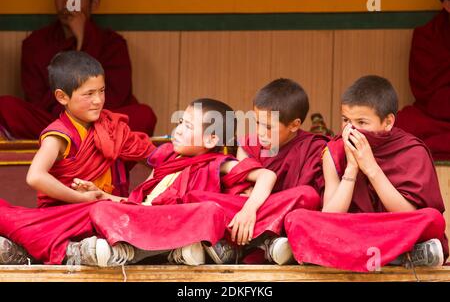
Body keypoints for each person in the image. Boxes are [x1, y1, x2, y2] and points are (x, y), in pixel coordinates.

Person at [0, 98, 278, 267]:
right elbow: (137, 204)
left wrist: (248, 210)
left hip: (163, 222)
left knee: (207, 211)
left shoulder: (218, 163)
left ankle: (42, 252)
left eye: (188, 127)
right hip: (135, 217)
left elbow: (267, 175)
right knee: (92, 210)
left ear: (211, 141)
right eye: (181, 122)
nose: (178, 130)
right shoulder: (166, 159)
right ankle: (42, 249)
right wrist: (101, 195)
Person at [0, 51, 155, 265]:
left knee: (121, 211)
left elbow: (156, 159)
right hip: (70, 215)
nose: (98, 100)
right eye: (88, 94)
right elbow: (35, 176)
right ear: (62, 97)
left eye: (102, 91)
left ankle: (50, 249)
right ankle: (77, 247)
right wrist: (81, 199)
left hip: (110, 209)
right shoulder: (59, 134)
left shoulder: (112, 127)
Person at [285, 75, 448, 272]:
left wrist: (371, 168)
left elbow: (408, 213)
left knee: (431, 219)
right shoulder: (334, 151)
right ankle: (400, 255)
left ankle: (349, 255)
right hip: (353, 228)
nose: (351, 129)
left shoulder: (412, 151)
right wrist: (352, 168)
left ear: (388, 122)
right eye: (346, 120)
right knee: (298, 219)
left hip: (392, 227)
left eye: (362, 122)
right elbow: (330, 215)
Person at [182, 79, 328, 265]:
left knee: (308, 196)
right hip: (245, 212)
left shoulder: (314, 147)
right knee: (196, 198)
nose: (260, 132)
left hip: (280, 213)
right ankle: (265, 243)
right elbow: (240, 189)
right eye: (257, 122)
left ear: (294, 125)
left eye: (268, 127)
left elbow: (315, 204)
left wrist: (253, 206)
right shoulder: (247, 145)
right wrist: (249, 204)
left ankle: (240, 244)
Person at [0, 0, 156, 139]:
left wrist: (83, 40)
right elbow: (36, 100)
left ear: (94, 4)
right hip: (56, 122)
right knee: (5, 106)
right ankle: (86, 145)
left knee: (144, 115)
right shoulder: (35, 43)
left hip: (101, 123)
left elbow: (116, 98)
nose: (68, 4)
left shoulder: (112, 44)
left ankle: (73, 143)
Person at [396, 0, 450, 161]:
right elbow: (425, 91)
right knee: (402, 125)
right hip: (438, 116)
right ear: (446, 5)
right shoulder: (427, 35)